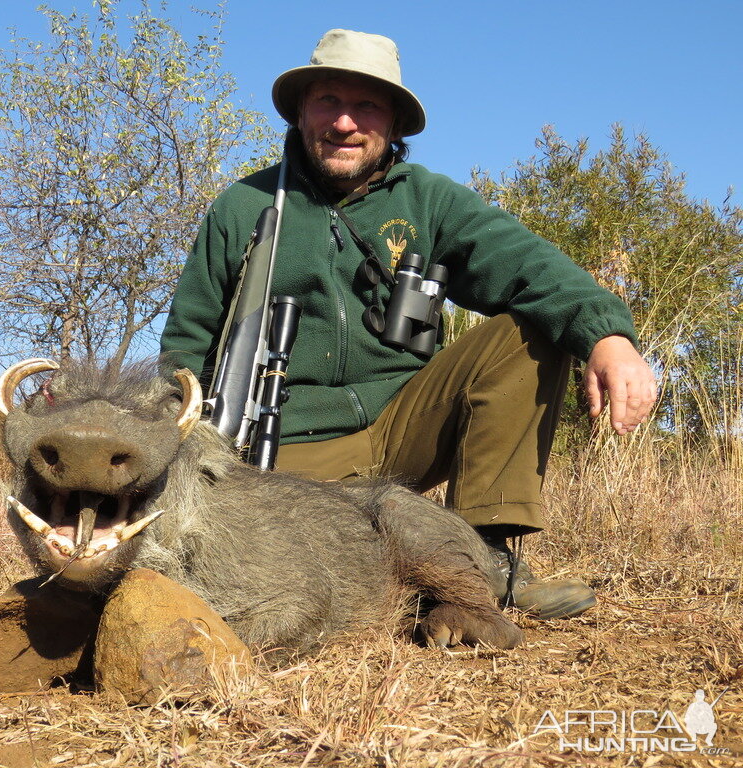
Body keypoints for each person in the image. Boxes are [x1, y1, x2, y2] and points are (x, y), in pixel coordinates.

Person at [160, 29, 656, 619]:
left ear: (393, 124)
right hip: (285, 451)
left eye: (366, 105)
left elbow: (531, 267)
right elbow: (184, 353)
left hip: (405, 426)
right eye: (327, 101)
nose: (344, 122)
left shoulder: (431, 202)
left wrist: (610, 338)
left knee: (527, 332)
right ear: (299, 113)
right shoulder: (240, 208)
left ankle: (484, 559)